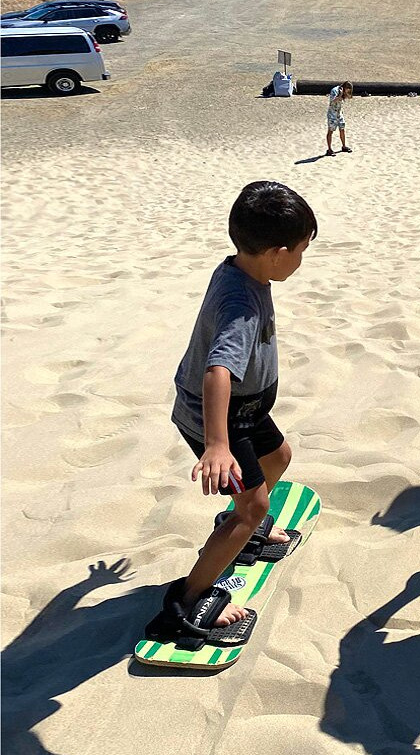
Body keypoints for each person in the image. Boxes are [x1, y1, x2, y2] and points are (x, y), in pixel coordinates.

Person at [148, 181, 317, 639]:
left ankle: (249, 527)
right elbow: (218, 370)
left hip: (246, 409)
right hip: (218, 416)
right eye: (302, 251)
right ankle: (187, 601)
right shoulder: (242, 301)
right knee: (251, 505)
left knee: (278, 456)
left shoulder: (242, 271)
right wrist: (217, 445)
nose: (301, 261)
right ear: (278, 252)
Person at [326, 81, 354, 156]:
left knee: (342, 129)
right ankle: (329, 149)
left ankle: (344, 146)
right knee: (330, 131)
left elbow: (350, 97)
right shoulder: (334, 90)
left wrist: (347, 94)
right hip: (332, 114)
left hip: (339, 113)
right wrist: (340, 95)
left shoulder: (344, 91)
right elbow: (332, 101)